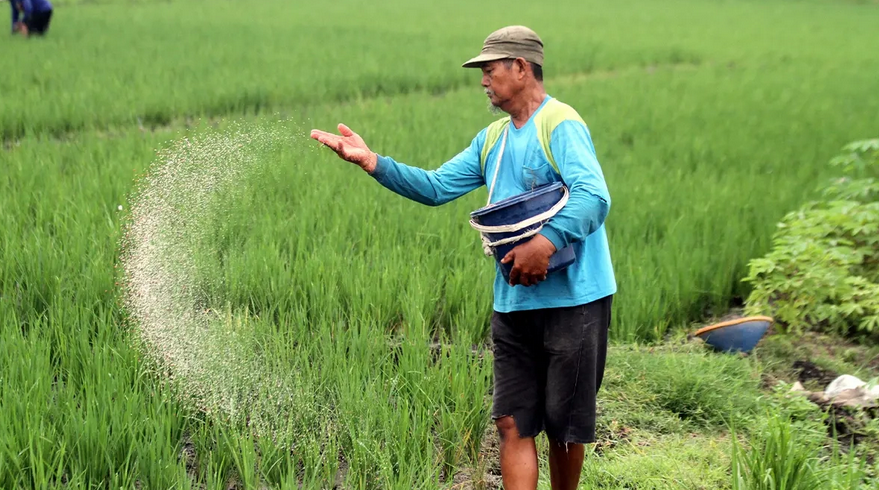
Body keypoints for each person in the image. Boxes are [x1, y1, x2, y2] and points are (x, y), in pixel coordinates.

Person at [311, 25, 616, 490]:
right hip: (514, 301)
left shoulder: (560, 123)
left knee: (564, 428)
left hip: (575, 303)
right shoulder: (492, 139)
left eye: (490, 70)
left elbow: (594, 196)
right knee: (512, 422)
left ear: (521, 67)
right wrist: (373, 162)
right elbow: (436, 187)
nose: (483, 81)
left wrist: (546, 242)